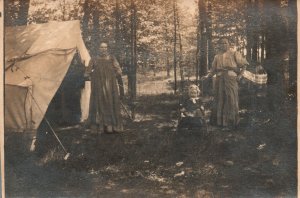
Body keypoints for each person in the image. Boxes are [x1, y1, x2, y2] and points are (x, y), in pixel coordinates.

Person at [202, 38, 249, 130]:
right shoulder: (217, 56)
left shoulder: (235, 53)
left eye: (225, 43)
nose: (223, 45)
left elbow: (244, 65)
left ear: (229, 44)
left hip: (231, 77)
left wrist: (239, 76)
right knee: (220, 98)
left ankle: (230, 123)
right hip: (219, 78)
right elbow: (212, 70)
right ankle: (219, 122)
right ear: (219, 45)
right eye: (221, 43)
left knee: (230, 98)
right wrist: (207, 76)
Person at [86, 42, 123, 133]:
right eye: (102, 47)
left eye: (105, 47)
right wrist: (94, 77)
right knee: (99, 103)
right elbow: (87, 72)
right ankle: (100, 126)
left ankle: (110, 125)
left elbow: (119, 71)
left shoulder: (111, 58)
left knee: (109, 102)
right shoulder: (94, 59)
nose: (103, 49)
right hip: (98, 86)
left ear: (107, 48)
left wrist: (111, 76)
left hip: (110, 86)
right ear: (99, 48)